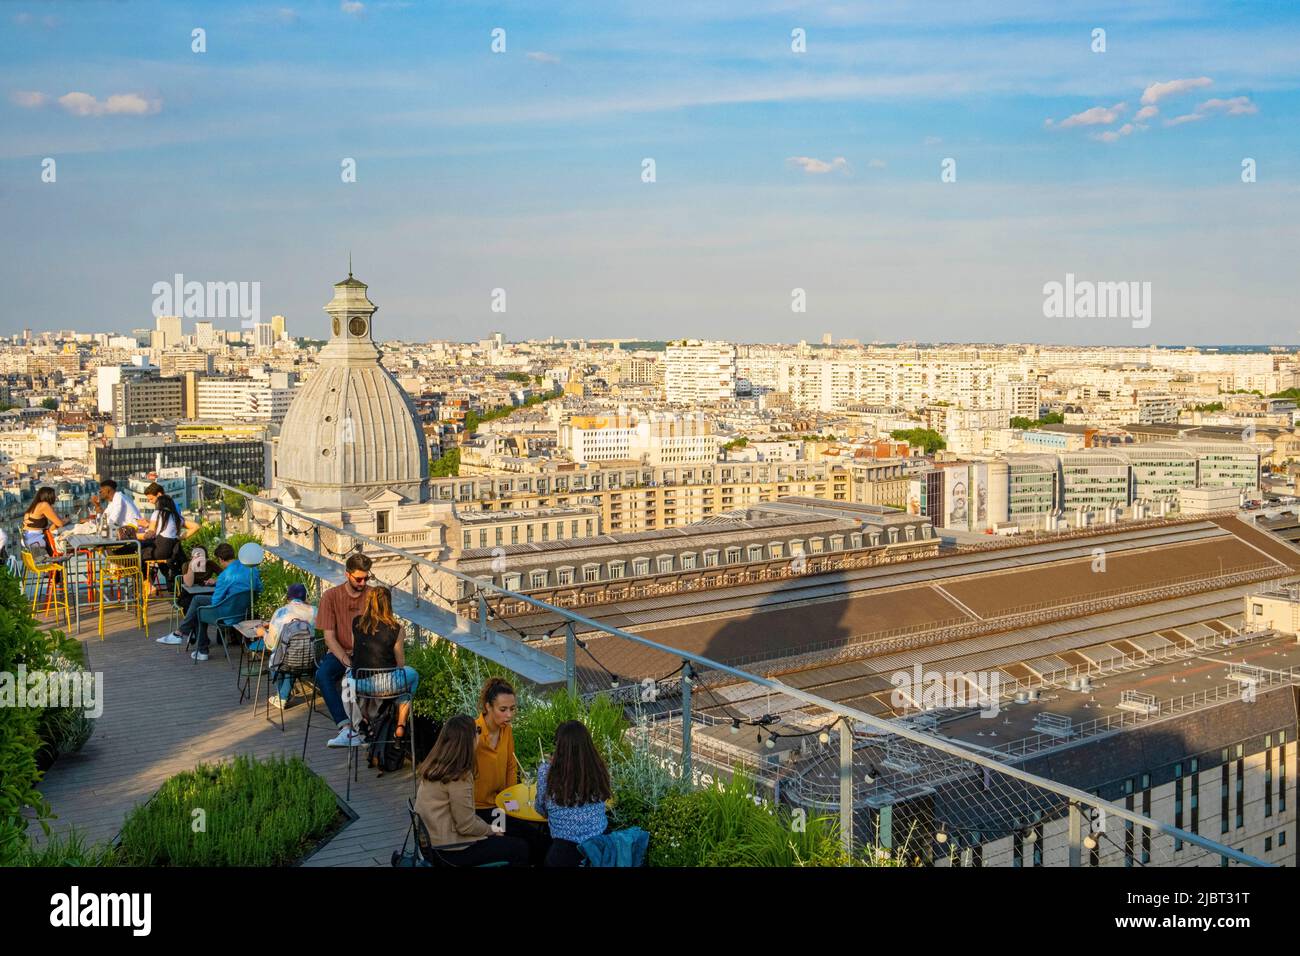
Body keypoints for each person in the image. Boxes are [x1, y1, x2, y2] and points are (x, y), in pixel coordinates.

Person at [413, 715, 529, 867]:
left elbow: (465, 818)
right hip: (450, 851)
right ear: (468, 740)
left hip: (431, 844)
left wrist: (491, 828)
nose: (479, 734)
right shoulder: (458, 775)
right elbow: (466, 825)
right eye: (477, 730)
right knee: (521, 848)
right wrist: (492, 830)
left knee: (505, 832)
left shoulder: (436, 765)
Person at [157, 542, 261, 660]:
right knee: (199, 604)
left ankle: (196, 646)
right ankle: (182, 635)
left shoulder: (225, 576)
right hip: (245, 611)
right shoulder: (252, 569)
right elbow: (259, 588)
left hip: (228, 614)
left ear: (220, 559)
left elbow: (216, 601)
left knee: (200, 608)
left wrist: (221, 586)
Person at [534, 720, 612, 867]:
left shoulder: (547, 772)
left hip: (565, 852)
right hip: (601, 847)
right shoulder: (597, 768)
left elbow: (540, 809)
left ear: (558, 746)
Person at [315, 552, 372, 748]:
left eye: (366, 578)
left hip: (367, 653)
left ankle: (367, 727)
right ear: (347, 574)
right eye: (359, 578)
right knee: (323, 674)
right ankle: (345, 726)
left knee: (360, 679)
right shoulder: (331, 596)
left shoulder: (372, 596)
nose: (363, 583)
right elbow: (329, 637)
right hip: (340, 652)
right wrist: (344, 659)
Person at [350, 586, 419, 736]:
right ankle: (401, 723)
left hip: (360, 683)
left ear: (368, 602)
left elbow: (355, 653)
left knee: (347, 676)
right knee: (412, 675)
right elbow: (400, 664)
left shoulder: (356, 622)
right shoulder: (396, 628)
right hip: (387, 684)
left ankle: (362, 719)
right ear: (388, 604)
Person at [253, 582, 316, 710]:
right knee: (293, 656)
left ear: (288, 598)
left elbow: (271, 644)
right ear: (305, 598)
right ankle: (284, 695)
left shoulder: (281, 612)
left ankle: (282, 697)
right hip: (311, 659)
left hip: (287, 662)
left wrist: (263, 632)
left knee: (277, 659)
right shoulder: (314, 611)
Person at [138, 482, 182, 588]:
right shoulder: (172, 508)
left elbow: (157, 530)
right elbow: (167, 527)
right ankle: (150, 580)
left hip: (163, 546)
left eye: (151, 499)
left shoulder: (161, 511)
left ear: (158, 495)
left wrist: (145, 528)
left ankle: (147, 582)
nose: (150, 502)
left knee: (139, 551)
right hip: (171, 544)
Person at [21, 487, 65, 560]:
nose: (56, 497)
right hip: (34, 540)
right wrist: (67, 520)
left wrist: (56, 523)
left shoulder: (35, 505)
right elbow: (60, 523)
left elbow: (50, 527)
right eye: (54, 495)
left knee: (55, 541)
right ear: (48, 496)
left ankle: (56, 567)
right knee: (60, 544)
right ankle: (56, 566)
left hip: (28, 538)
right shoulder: (44, 505)